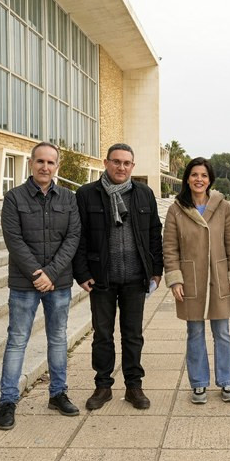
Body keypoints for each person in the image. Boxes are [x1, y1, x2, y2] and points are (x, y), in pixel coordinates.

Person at [0, 142, 82, 430]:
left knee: (58, 338)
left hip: (58, 283)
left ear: (57, 167)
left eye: (51, 162)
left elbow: (73, 238)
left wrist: (51, 273)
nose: (45, 167)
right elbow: (14, 240)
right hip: (24, 283)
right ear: (32, 163)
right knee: (17, 340)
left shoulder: (69, 198)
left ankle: (58, 394)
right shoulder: (14, 198)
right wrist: (36, 273)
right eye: (40, 161)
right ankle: (8, 400)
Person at [73, 143, 163, 411]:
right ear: (106, 163)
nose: (121, 167)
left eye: (127, 163)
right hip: (101, 278)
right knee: (102, 335)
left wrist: (156, 271)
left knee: (133, 335)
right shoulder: (87, 194)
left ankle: (134, 386)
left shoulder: (144, 194)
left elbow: (154, 234)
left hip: (136, 279)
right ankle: (103, 386)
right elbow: (79, 237)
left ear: (132, 167)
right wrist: (82, 273)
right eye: (116, 162)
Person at [163, 157, 230, 404]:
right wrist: (175, 279)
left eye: (204, 175)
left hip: (218, 276)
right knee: (194, 331)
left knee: (223, 332)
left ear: (210, 179)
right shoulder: (176, 208)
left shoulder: (221, 206)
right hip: (191, 278)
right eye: (195, 175)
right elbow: (170, 247)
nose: (199, 179)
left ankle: (227, 380)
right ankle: (198, 383)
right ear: (187, 178)